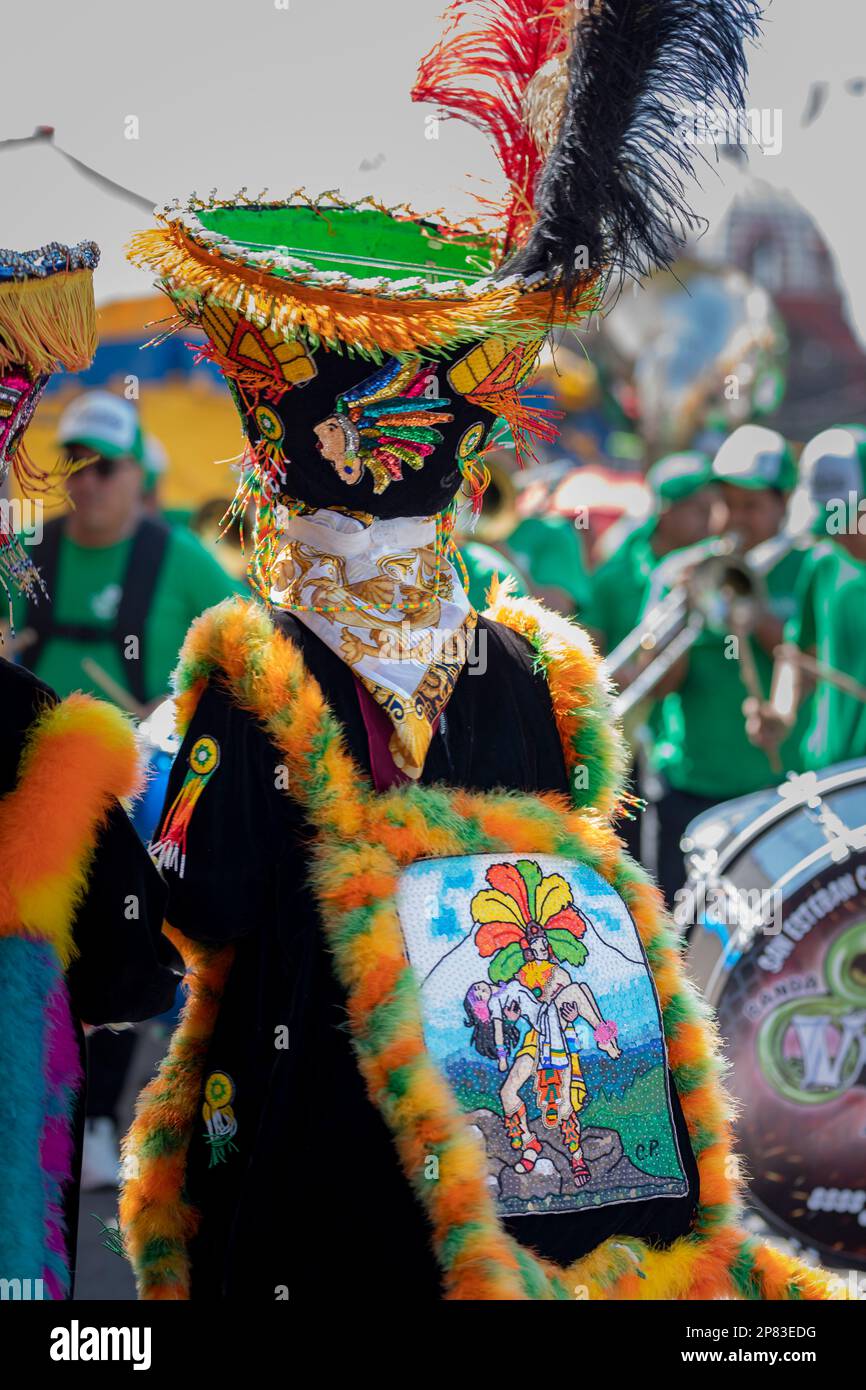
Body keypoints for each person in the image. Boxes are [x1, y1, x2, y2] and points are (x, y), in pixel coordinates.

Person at [119, 0, 837, 1304]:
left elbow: (206, 903)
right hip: (520, 1196)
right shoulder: (540, 677)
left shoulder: (251, 666)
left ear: (294, 461)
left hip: (323, 1187)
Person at [0, 242, 180, 1300]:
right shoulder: (38, 736)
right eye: (68, 462)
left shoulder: (176, 561)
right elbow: (127, 972)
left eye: (104, 463)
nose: (84, 481)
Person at [639, 425, 812, 909]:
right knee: (682, 930)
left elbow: (804, 657)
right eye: (727, 505)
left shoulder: (811, 567)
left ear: (784, 505)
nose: (736, 519)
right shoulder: (682, 571)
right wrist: (685, 604)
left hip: (779, 789)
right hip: (688, 787)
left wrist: (748, 604)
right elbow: (660, 685)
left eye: (752, 506)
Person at [10, 391, 242, 712]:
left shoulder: (181, 556)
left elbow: (257, 646)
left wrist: (187, 705)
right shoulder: (22, 551)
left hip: (142, 758)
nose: (88, 482)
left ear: (139, 473)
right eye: (76, 465)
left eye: (103, 468)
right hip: (35, 753)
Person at [746, 425, 866, 770]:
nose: (837, 534)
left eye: (847, 519)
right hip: (830, 774)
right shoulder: (824, 561)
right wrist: (782, 713)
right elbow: (799, 653)